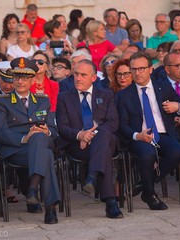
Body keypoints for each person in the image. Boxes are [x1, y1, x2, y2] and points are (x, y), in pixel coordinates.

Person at [117, 52, 180, 210]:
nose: (137, 73)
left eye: (142, 68)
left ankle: (144, 184)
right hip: (139, 137)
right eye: (134, 69)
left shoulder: (162, 87)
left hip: (162, 134)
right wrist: (137, 136)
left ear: (150, 69)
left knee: (177, 152)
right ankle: (149, 194)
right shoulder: (124, 95)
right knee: (147, 153)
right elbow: (121, 125)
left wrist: (176, 107)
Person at [0, 57, 60, 224]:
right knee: (46, 155)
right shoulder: (1, 101)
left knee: (40, 139)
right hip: (16, 149)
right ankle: (48, 207)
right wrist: (24, 138)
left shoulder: (42, 100)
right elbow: (1, 132)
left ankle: (32, 190)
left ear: (32, 80)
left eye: (24, 78)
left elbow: (53, 129)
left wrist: (47, 131)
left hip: (40, 145)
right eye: (17, 77)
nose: (20, 81)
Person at [56, 59, 123, 219]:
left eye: (83, 75)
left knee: (104, 136)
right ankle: (110, 201)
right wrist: (80, 135)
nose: (78, 78)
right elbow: (62, 127)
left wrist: (92, 135)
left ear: (93, 78)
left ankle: (92, 176)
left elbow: (113, 122)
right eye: (76, 74)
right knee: (104, 151)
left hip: (102, 140)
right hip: (78, 146)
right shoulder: (64, 97)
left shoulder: (105, 94)